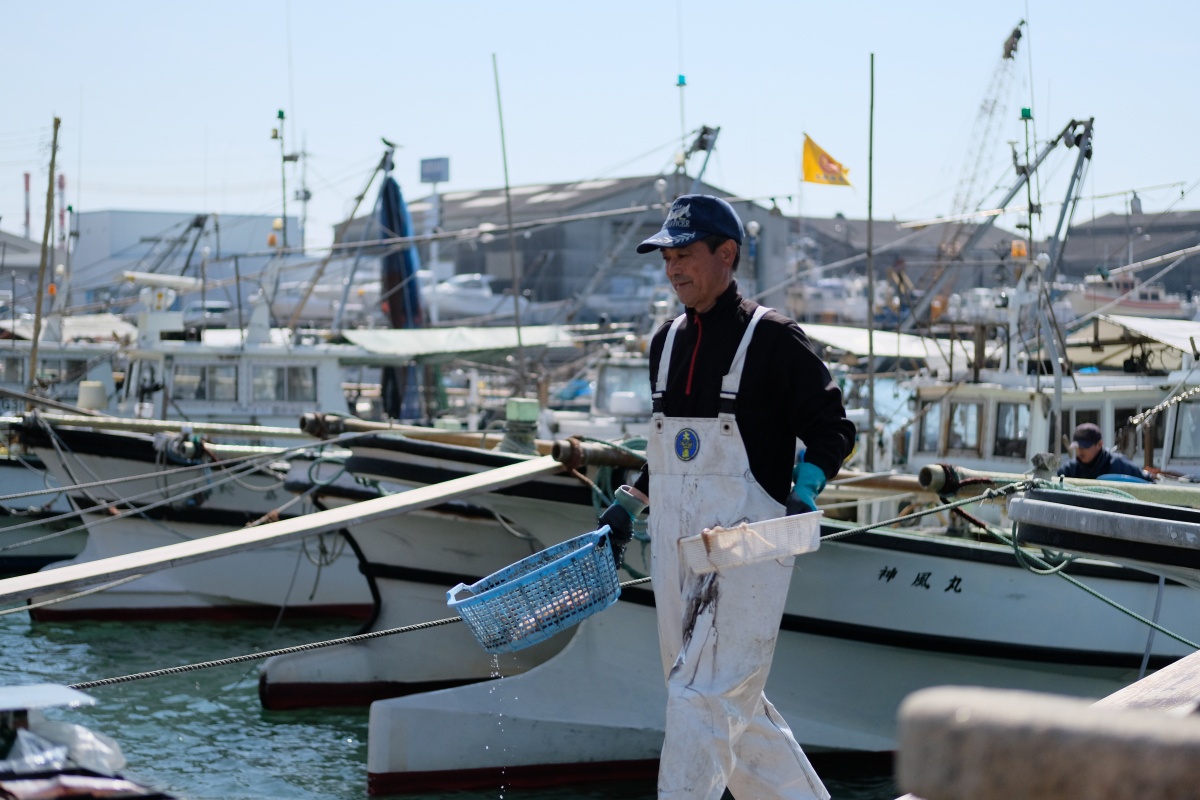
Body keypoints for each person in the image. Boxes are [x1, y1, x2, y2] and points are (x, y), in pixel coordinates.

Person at [598, 194, 856, 800]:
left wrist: (806, 489)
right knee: (727, 705)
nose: (673, 268)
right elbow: (670, 452)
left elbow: (833, 428)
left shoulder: (771, 340)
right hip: (675, 554)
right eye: (667, 257)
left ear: (727, 254)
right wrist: (631, 503)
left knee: (704, 701)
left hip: (748, 549)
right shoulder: (663, 344)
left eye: (684, 255)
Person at [1056, 422, 1149, 481]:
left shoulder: (1119, 465)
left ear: (1100, 444)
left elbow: (1149, 482)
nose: (1079, 451)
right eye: (1077, 447)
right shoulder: (1068, 470)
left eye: (1084, 447)